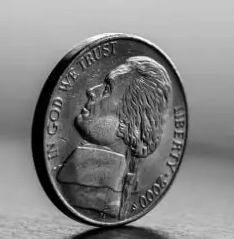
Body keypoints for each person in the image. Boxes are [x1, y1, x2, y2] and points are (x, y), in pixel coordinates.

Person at [56, 56, 172, 219]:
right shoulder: (80, 172)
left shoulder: (83, 185)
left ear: (130, 117)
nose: (92, 91)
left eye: (108, 89)